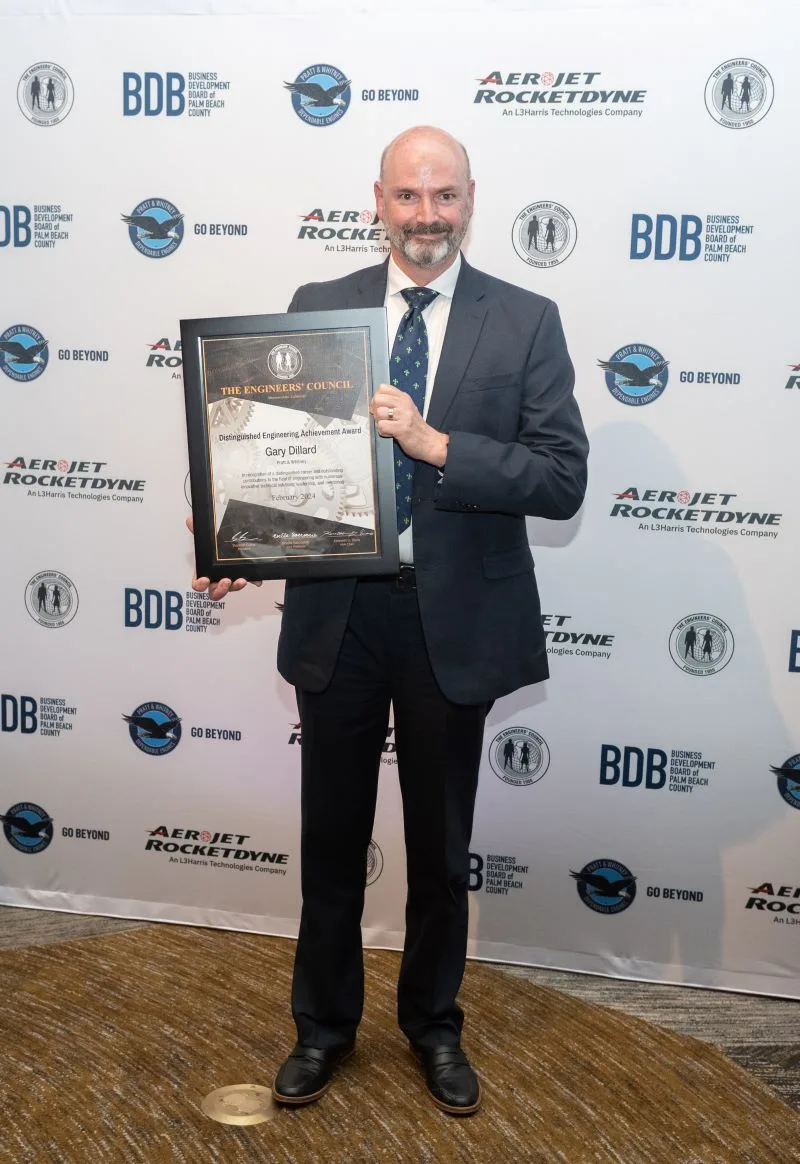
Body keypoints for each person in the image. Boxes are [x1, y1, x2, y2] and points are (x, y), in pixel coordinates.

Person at [191, 125, 588, 1115]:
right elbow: (281, 456)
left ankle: (433, 1027)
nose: (425, 216)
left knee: (440, 853)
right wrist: (242, 539)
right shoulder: (317, 307)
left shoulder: (525, 319)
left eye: (443, 196)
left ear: (470, 201)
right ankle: (322, 1029)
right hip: (341, 617)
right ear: (377, 201)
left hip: (455, 625)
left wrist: (436, 443)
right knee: (330, 841)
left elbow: (561, 478)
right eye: (407, 196)